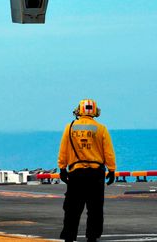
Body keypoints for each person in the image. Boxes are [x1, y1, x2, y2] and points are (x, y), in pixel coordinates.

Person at [57, 99, 117, 242]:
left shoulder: (70, 127)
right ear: (95, 111)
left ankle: (69, 237)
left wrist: (62, 168)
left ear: (79, 110)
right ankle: (92, 237)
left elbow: (63, 150)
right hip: (95, 175)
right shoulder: (101, 128)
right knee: (95, 209)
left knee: (72, 209)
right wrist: (112, 170)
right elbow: (108, 152)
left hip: (76, 174)